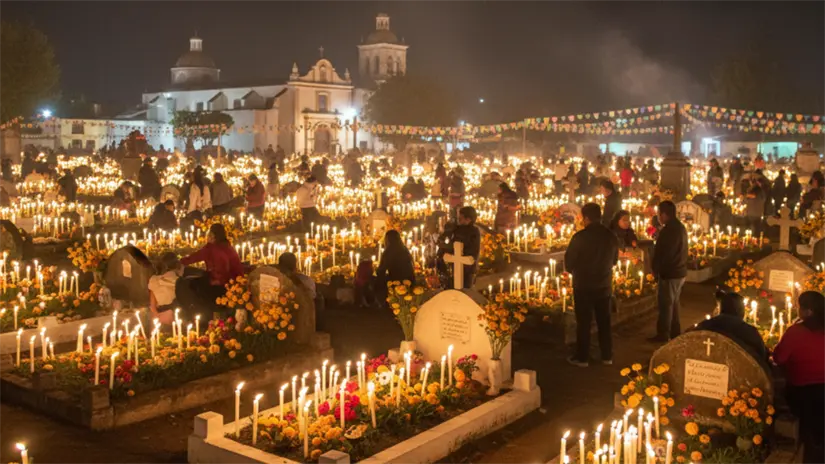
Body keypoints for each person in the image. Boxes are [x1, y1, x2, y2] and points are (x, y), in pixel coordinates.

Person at [564, 203, 619, 367]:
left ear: (586, 218)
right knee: (604, 321)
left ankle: (582, 357)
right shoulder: (610, 236)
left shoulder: (580, 237)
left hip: (584, 285)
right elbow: (615, 260)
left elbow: (569, 262)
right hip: (603, 284)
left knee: (584, 322)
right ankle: (606, 355)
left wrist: (579, 272)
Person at [774, 291, 825, 464]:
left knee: (806, 428)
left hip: (801, 391)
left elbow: (779, 358)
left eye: (799, 307)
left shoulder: (796, 332)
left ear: (808, 311)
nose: (797, 310)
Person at [179, 224, 244, 314]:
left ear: (213, 236)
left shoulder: (211, 248)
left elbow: (193, 258)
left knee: (190, 283)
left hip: (219, 284)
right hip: (236, 285)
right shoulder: (228, 246)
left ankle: (200, 311)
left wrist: (179, 262)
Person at [650, 200, 688, 343]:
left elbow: (665, 253)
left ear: (664, 214)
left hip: (670, 272)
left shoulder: (669, 231)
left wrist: (658, 270)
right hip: (679, 271)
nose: (658, 217)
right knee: (674, 303)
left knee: (666, 304)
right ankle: (674, 332)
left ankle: (663, 334)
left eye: (659, 214)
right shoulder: (679, 227)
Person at [693, 290, 768, 362]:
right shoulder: (750, 333)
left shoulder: (704, 326)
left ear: (721, 308)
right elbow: (761, 357)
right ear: (741, 311)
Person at [451, 206, 481, 289]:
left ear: (468, 219)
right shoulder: (457, 229)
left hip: (468, 267)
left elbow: (474, 250)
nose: (459, 219)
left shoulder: (474, 231)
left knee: (466, 288)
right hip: (456, 264)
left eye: (461, 218)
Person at [148, 252, 182, 325]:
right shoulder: (180, 282)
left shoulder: (154, 280)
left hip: (159, 316)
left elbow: (152, 306)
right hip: (177, 317)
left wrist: (158, 317)